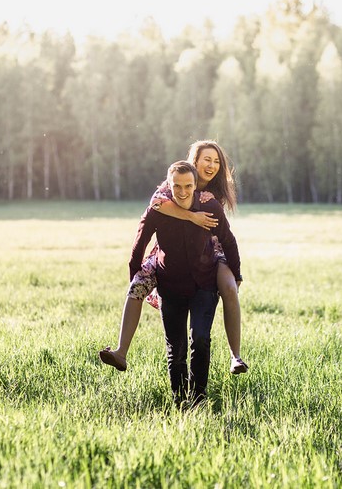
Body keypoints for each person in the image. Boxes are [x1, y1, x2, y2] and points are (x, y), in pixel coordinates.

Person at [99, 140, 248, 374]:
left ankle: (236, 357)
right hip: (171, 249)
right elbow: (156, 204)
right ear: (195, 161)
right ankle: (121, 351)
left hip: (210, 250)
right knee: (138, 285)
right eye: (207, 159)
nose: (212, 165)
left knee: (230, 287)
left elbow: (226, 237)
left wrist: (236, 271)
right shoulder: (178, 180)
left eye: (217, 161)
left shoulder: (214, 194)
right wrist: (192, 217)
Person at [125, 161, 241, 407]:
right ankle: (180, 401)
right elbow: (139, 244)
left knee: (200, 339)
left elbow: (228, 240)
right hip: (171, 286)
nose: (182, 191)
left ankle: (198, 398)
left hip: (204, 284)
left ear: (194, 184)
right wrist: (136, 276)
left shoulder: (209, 206)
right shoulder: (158, 209)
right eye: (176, 186)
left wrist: (236, 274)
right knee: (175, 349)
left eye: (188, 185)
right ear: (169, 184)